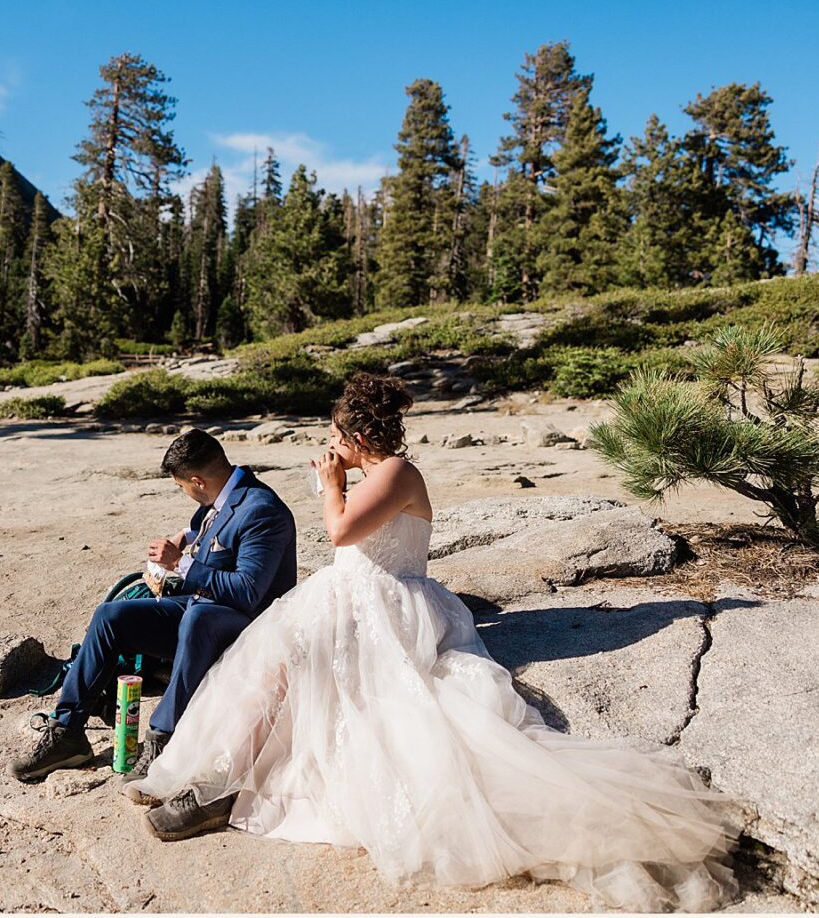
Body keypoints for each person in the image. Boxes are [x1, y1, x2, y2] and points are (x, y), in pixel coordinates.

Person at [132, 373, 742, 913]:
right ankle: (214, 780)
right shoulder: (378, 472)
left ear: (357, 434)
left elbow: (341, 529)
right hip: (348, 595)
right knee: (268, 668)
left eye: (338, 436)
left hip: (385, 602)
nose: (331, 447)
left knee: (296, 672)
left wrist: (328, 483)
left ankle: (220, 790)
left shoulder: (396, 472)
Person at [9, 429, 297, 785]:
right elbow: (208, 520)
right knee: (111, 617)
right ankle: (68, 731)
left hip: (247, 625)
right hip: (202, 611)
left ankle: (163, 738)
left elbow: (248, 591)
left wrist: (181, 564)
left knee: (198, 616)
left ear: (197, 481)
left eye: (182, 487)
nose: (185, 494)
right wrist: (187, 537)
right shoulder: (225, 493)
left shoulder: (263, 511)